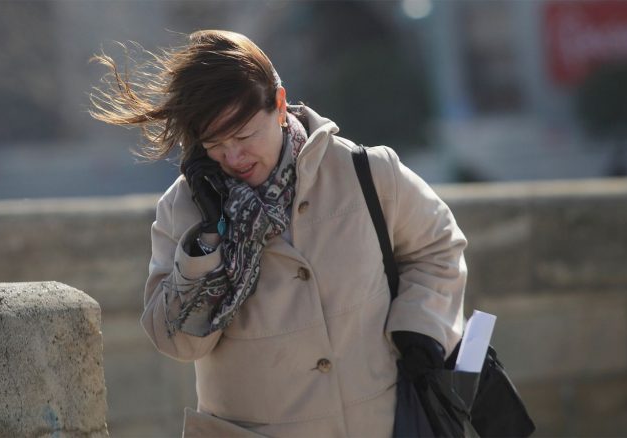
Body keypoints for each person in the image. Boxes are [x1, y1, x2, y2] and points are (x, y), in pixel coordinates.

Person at [90, 29, 467, 437]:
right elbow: (178, 343)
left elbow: (438, 245)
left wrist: (420, 329)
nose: (233, 157)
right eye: (214, 144)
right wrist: (208, 242)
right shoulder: (183, 208)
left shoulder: (366, 172)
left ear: (280, 104)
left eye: (244, 135)